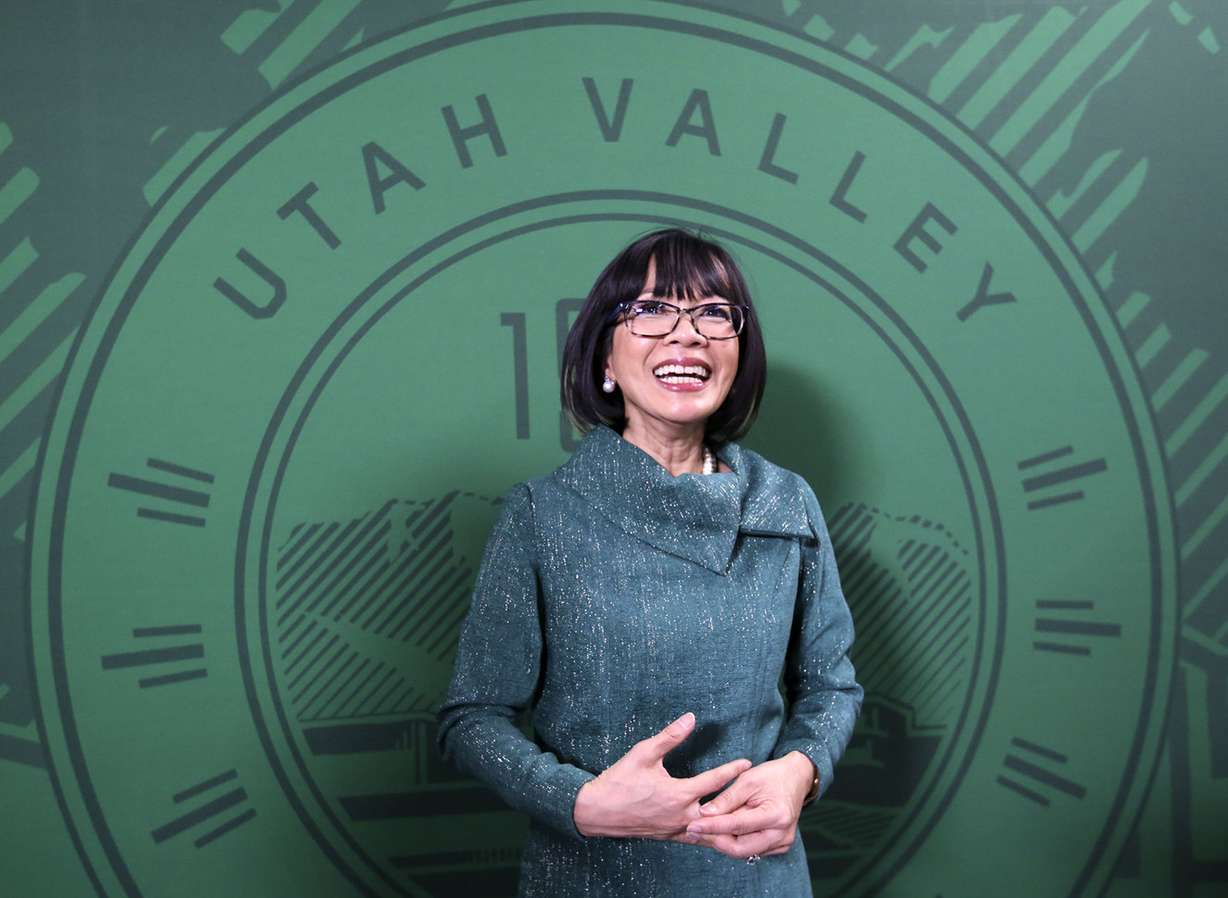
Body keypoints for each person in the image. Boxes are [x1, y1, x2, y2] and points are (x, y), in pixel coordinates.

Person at [436, 226, 863, 897]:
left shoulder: (787, 504)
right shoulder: (543, 516)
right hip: (591, 878)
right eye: (652, 309)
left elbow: (830, 685)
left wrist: (801, 771)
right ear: (605, 358)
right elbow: (472, 719)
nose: (686, 334)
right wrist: (580, 803)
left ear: (738, 355)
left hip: (758, 880)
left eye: (714, 313)